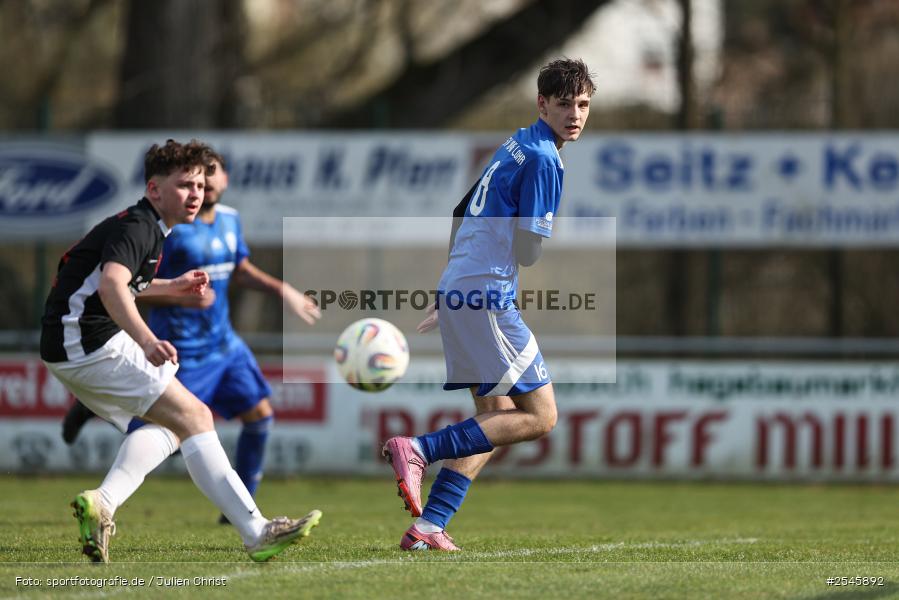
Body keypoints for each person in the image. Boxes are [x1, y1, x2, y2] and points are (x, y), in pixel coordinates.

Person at [41, 139, 321, 564]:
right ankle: (256, 532)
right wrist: (147, 340)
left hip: (75, 343)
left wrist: (172, 287)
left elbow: (119, 282)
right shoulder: (140, 227)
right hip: (87, 341)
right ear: (154, 189)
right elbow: (112, 286)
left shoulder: (151, 228)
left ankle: (103, 503)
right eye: (184, 185)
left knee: (176, 426)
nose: (196, 194)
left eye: (199, 185)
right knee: (195, 417)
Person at [382, 59, 595, 551]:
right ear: (542, 103)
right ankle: (417, 449)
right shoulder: (544, 158)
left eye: (583, 104)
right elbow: (527, 252)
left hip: (464, 288)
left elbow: (461, 212)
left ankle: (428, 527)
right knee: (540, 416)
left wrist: (448, 291)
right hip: (488, 296)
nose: (575, 114)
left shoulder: (514, 144)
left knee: (494, 418)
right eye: (564, 104)